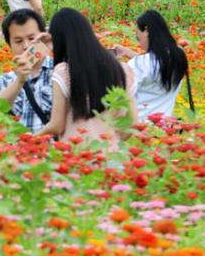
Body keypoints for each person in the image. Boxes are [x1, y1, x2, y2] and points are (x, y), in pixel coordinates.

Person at [36, 8, 138, 150]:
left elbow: (56, 126)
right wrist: (114, 141)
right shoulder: (123, 70)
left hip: (76, 158)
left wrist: (27, 140)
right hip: (111, 159)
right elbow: (132, 122)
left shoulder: (65, 72)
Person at [111, 10, 190, 122]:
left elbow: (119, 96)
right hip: (164, 129)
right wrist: (129, 53)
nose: (140, 43)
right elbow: (154, 65)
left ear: (147, 31)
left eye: (138, 37)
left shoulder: (140, 64)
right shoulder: (178, 57)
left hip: (139, 130)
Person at [0, 9, 54, 133]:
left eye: (32, 38)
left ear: (42, 36)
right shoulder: (6, 80)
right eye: (18, 41)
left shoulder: (60, 70)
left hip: (55, 150)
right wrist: (19, 81)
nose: (26, 46)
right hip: (18, 150)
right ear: (9, 44)